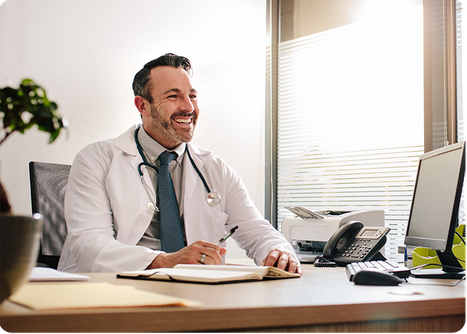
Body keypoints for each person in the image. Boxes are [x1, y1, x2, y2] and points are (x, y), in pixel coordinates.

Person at [58, 53, 301, 274]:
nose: (189, 107)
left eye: (192, 96)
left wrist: (279, 251)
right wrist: (165, 261)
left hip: (194, 290)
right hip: (115, 288)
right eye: (174, 96)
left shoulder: (216, 169)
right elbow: (88, 245)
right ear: (143, 106)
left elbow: (256, 230)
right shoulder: (96, 159)